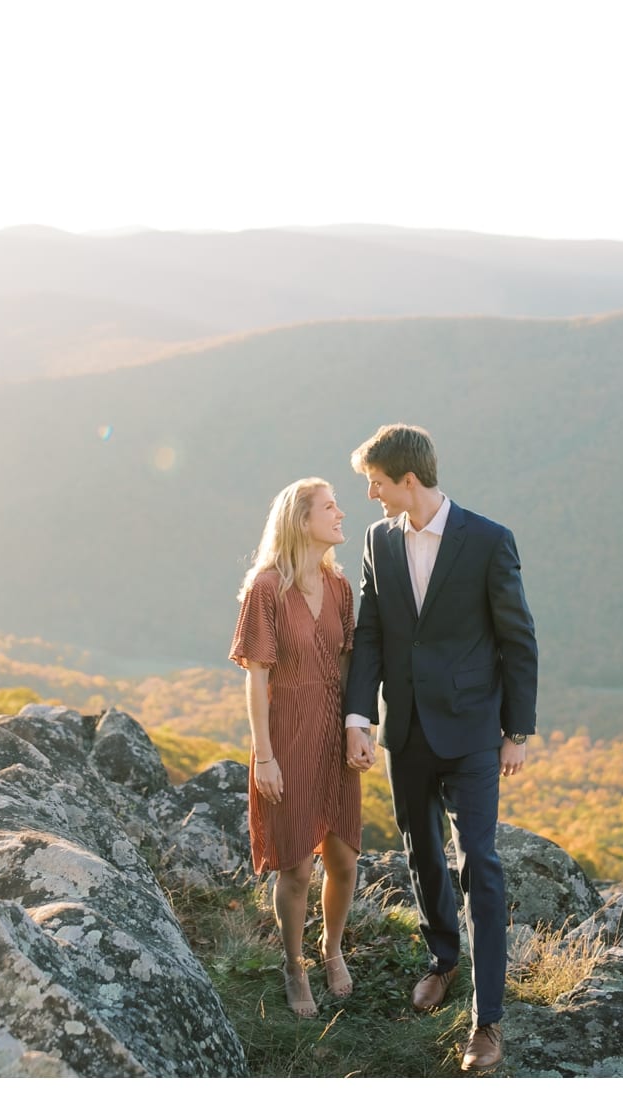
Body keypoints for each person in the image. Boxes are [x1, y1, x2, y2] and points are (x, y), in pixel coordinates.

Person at [342, 424, 538, 1073]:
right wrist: (357, 716)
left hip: (474, 730)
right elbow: (369, 632)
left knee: (477, 861)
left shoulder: (487, 541)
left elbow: (518, 639)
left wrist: (517, 731)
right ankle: (443, 958)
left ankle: (487, 1023)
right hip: (405, 730)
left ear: (407, 479)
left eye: (375, 480)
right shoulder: (378, 541)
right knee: (419, 848)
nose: (368, 494)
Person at [230, 477, 374, 1017]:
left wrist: (357, 728)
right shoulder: (266, 588)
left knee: (344, 857)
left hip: (333, 734)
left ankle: (331, 949)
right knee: (294, 867)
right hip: (286, 735)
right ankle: (294, 964)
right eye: (330, 506)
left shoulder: (338, 587)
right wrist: (263, 754)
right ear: (302, 519)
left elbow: (347, 664)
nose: (341, 513)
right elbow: (256, 676)